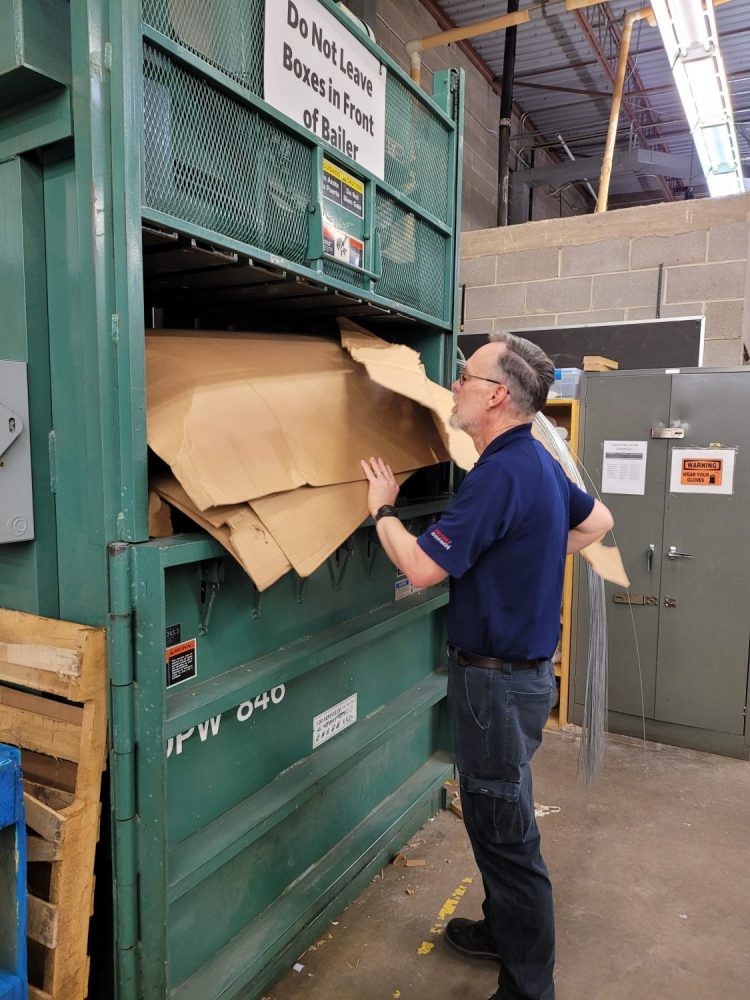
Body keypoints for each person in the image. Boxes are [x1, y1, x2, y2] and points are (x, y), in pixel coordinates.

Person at [361, 332, 613, 1000]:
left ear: (498, 395)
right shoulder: (534, 462)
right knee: (499, 811)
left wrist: (382, 510)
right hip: (517, 682)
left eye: (464, 376)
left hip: (495, 685)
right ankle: (503, 930)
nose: (455, 387)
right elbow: (599, 522)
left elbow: (418, 568)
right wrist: (525, 550)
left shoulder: (499, 474)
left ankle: (528, 988)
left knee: (505, 833)